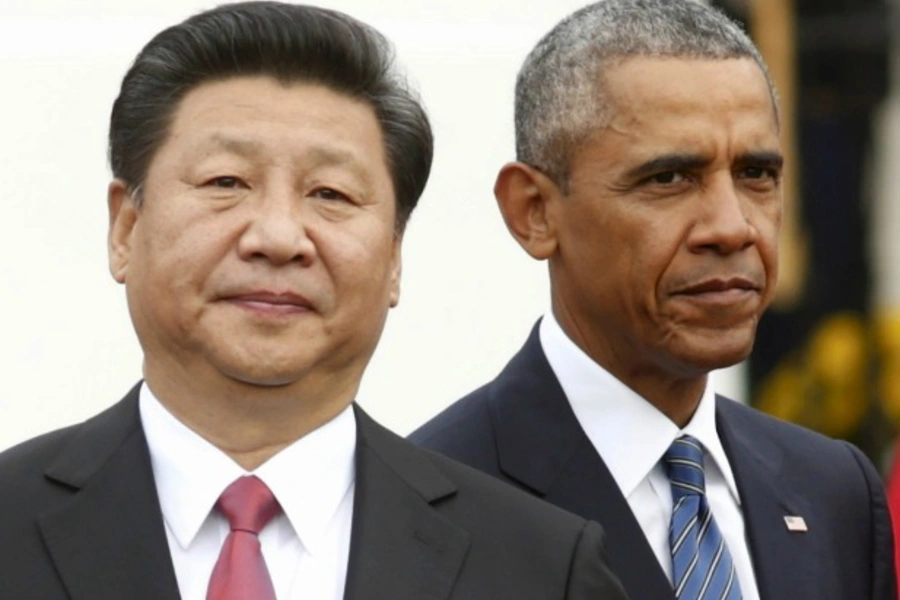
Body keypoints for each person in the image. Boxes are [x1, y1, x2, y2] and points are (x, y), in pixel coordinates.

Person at [0, 4, 630, 600]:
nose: (277, 237)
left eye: (330, 193)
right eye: (226, 182)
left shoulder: (540, 566)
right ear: (126, 230)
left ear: (394, 258)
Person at [411, 1, 896, 599]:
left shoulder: (833, 490)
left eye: (756, 175)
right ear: (534, 211)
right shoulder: (423, 512)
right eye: (669, 178)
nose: (732, 226)